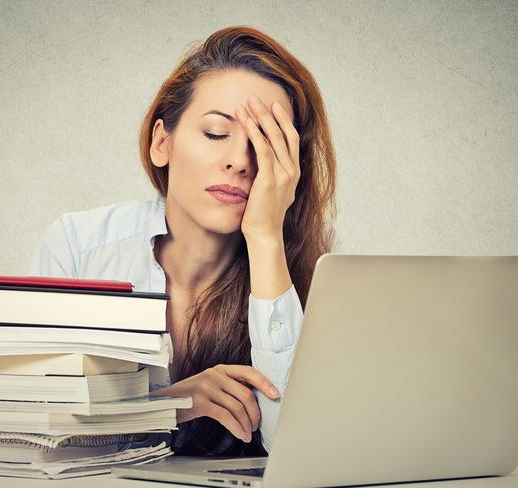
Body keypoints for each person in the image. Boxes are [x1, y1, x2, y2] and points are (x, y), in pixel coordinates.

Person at [30, 25, 337, 456]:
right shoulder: (78, 248)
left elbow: (300, 447)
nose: (239, 161)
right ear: (162, 142)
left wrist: (266, 237)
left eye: (266, 145)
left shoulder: (309, 273)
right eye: (216, 134)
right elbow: (34, 425)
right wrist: (165, 407)